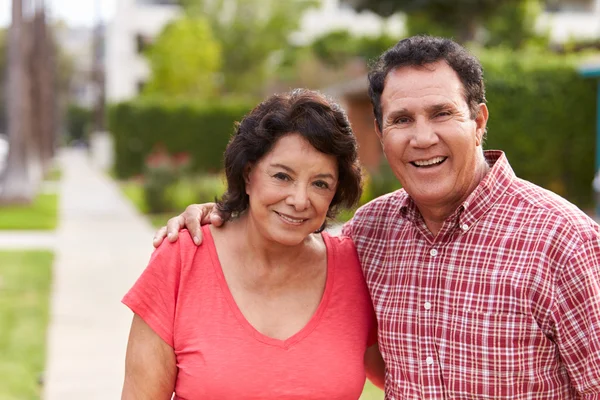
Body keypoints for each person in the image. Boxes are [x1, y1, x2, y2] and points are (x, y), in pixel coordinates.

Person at [154, 35, 600, 399]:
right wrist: (227, 214)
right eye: (402, 119)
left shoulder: (565, 242)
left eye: (442, 113)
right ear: (382, 133)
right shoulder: (369, 235)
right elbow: (292, 225)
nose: (423, 137)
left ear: (479, 120)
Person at [122, 89, 385, 399]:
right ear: (248, 175)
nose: (300, 200)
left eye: (320, 183)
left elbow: (413, 376)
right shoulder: (182, 257)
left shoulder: (356, 269)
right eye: (282, 176)